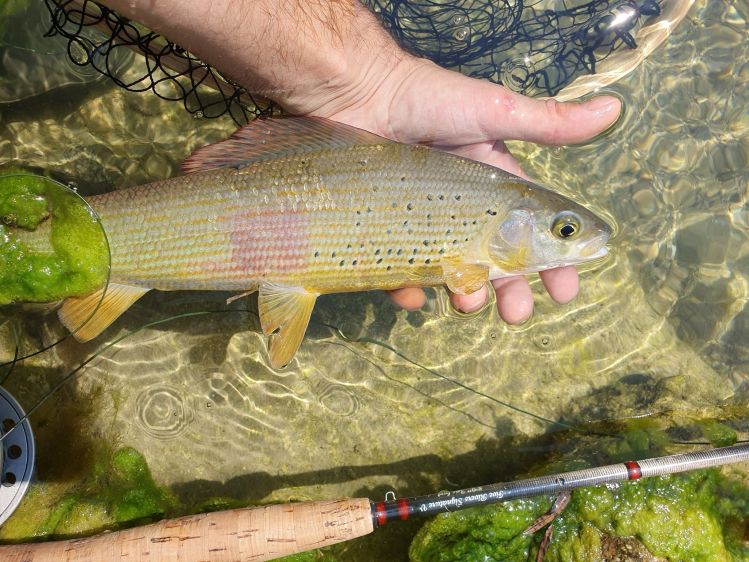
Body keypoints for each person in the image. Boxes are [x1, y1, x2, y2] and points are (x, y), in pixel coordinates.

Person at [101, 0, 621, 324]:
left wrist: (375, 77)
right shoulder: (477, 215)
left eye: (565, 229)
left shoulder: (477, 218)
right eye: (566, 229)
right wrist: (373, 80)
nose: (577, 238)